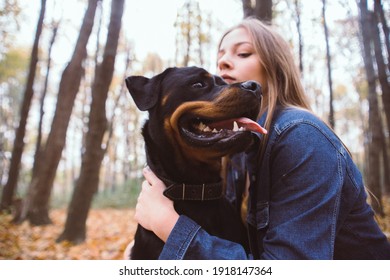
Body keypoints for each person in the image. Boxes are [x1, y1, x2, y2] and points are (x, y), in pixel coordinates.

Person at [133, 18, 390, 259]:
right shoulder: (240, 153)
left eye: (243, 53)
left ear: (275, 69)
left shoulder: (300, 136)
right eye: (220, 57)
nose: (223, 64)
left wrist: (168, 226)